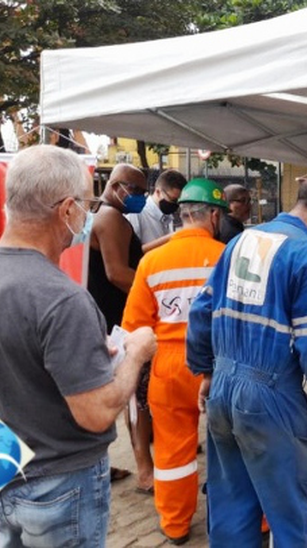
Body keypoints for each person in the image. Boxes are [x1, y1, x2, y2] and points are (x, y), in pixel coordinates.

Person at [0, 145, 156, 547]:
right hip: (58, 484)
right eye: (87, 204)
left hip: (9, 468)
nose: (89, 215)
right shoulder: (62, 298)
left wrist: (81, 354)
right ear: (67, 209)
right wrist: (135, 353)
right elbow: (96, 413)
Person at [186, 174, 307, 547]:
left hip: (223, 391)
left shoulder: (242, 240)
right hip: (271, 396)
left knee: (231, 504)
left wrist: (208, 372)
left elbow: (201, 311)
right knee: (294, 511)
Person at [122, 179, 227, 544]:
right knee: (233, 446)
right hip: (218, 366)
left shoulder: (152, 261)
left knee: (172, 451)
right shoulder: (227, 257)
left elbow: (133, 328)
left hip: (167, 367)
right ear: (213, 215)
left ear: (182, 215)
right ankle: (246, 524)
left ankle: (176, 524)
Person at [124, 168, 187, 495]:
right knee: (135, 397)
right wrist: (171, 242)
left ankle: (161, 452)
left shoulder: (171, 219)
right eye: (170, 201)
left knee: (153, 396)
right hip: (134, 317)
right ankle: (143, 466)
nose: (173, 208)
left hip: (161, 317)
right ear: (158, 192)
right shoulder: (133, 219)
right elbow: (131, 263)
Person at [88, 162, 148, 483]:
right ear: (115, 186)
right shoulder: (112, 218)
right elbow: (117, 273)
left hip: (106, 317)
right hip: (114, 322)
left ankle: (104, 465)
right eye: (135, 190)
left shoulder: (108, 216)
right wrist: (153, 288)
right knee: (132, 398)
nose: (140, 196)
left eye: (144, 190)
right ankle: (145, 470)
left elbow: (129, 258)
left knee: (124, 398)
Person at [127, 169, 187, 253]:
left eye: (179, 201)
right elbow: (132, 252)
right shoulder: (137, 213)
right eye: (173, 200)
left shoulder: (167, 215)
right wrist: (171, 237)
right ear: (158, 192)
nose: (176, 205)